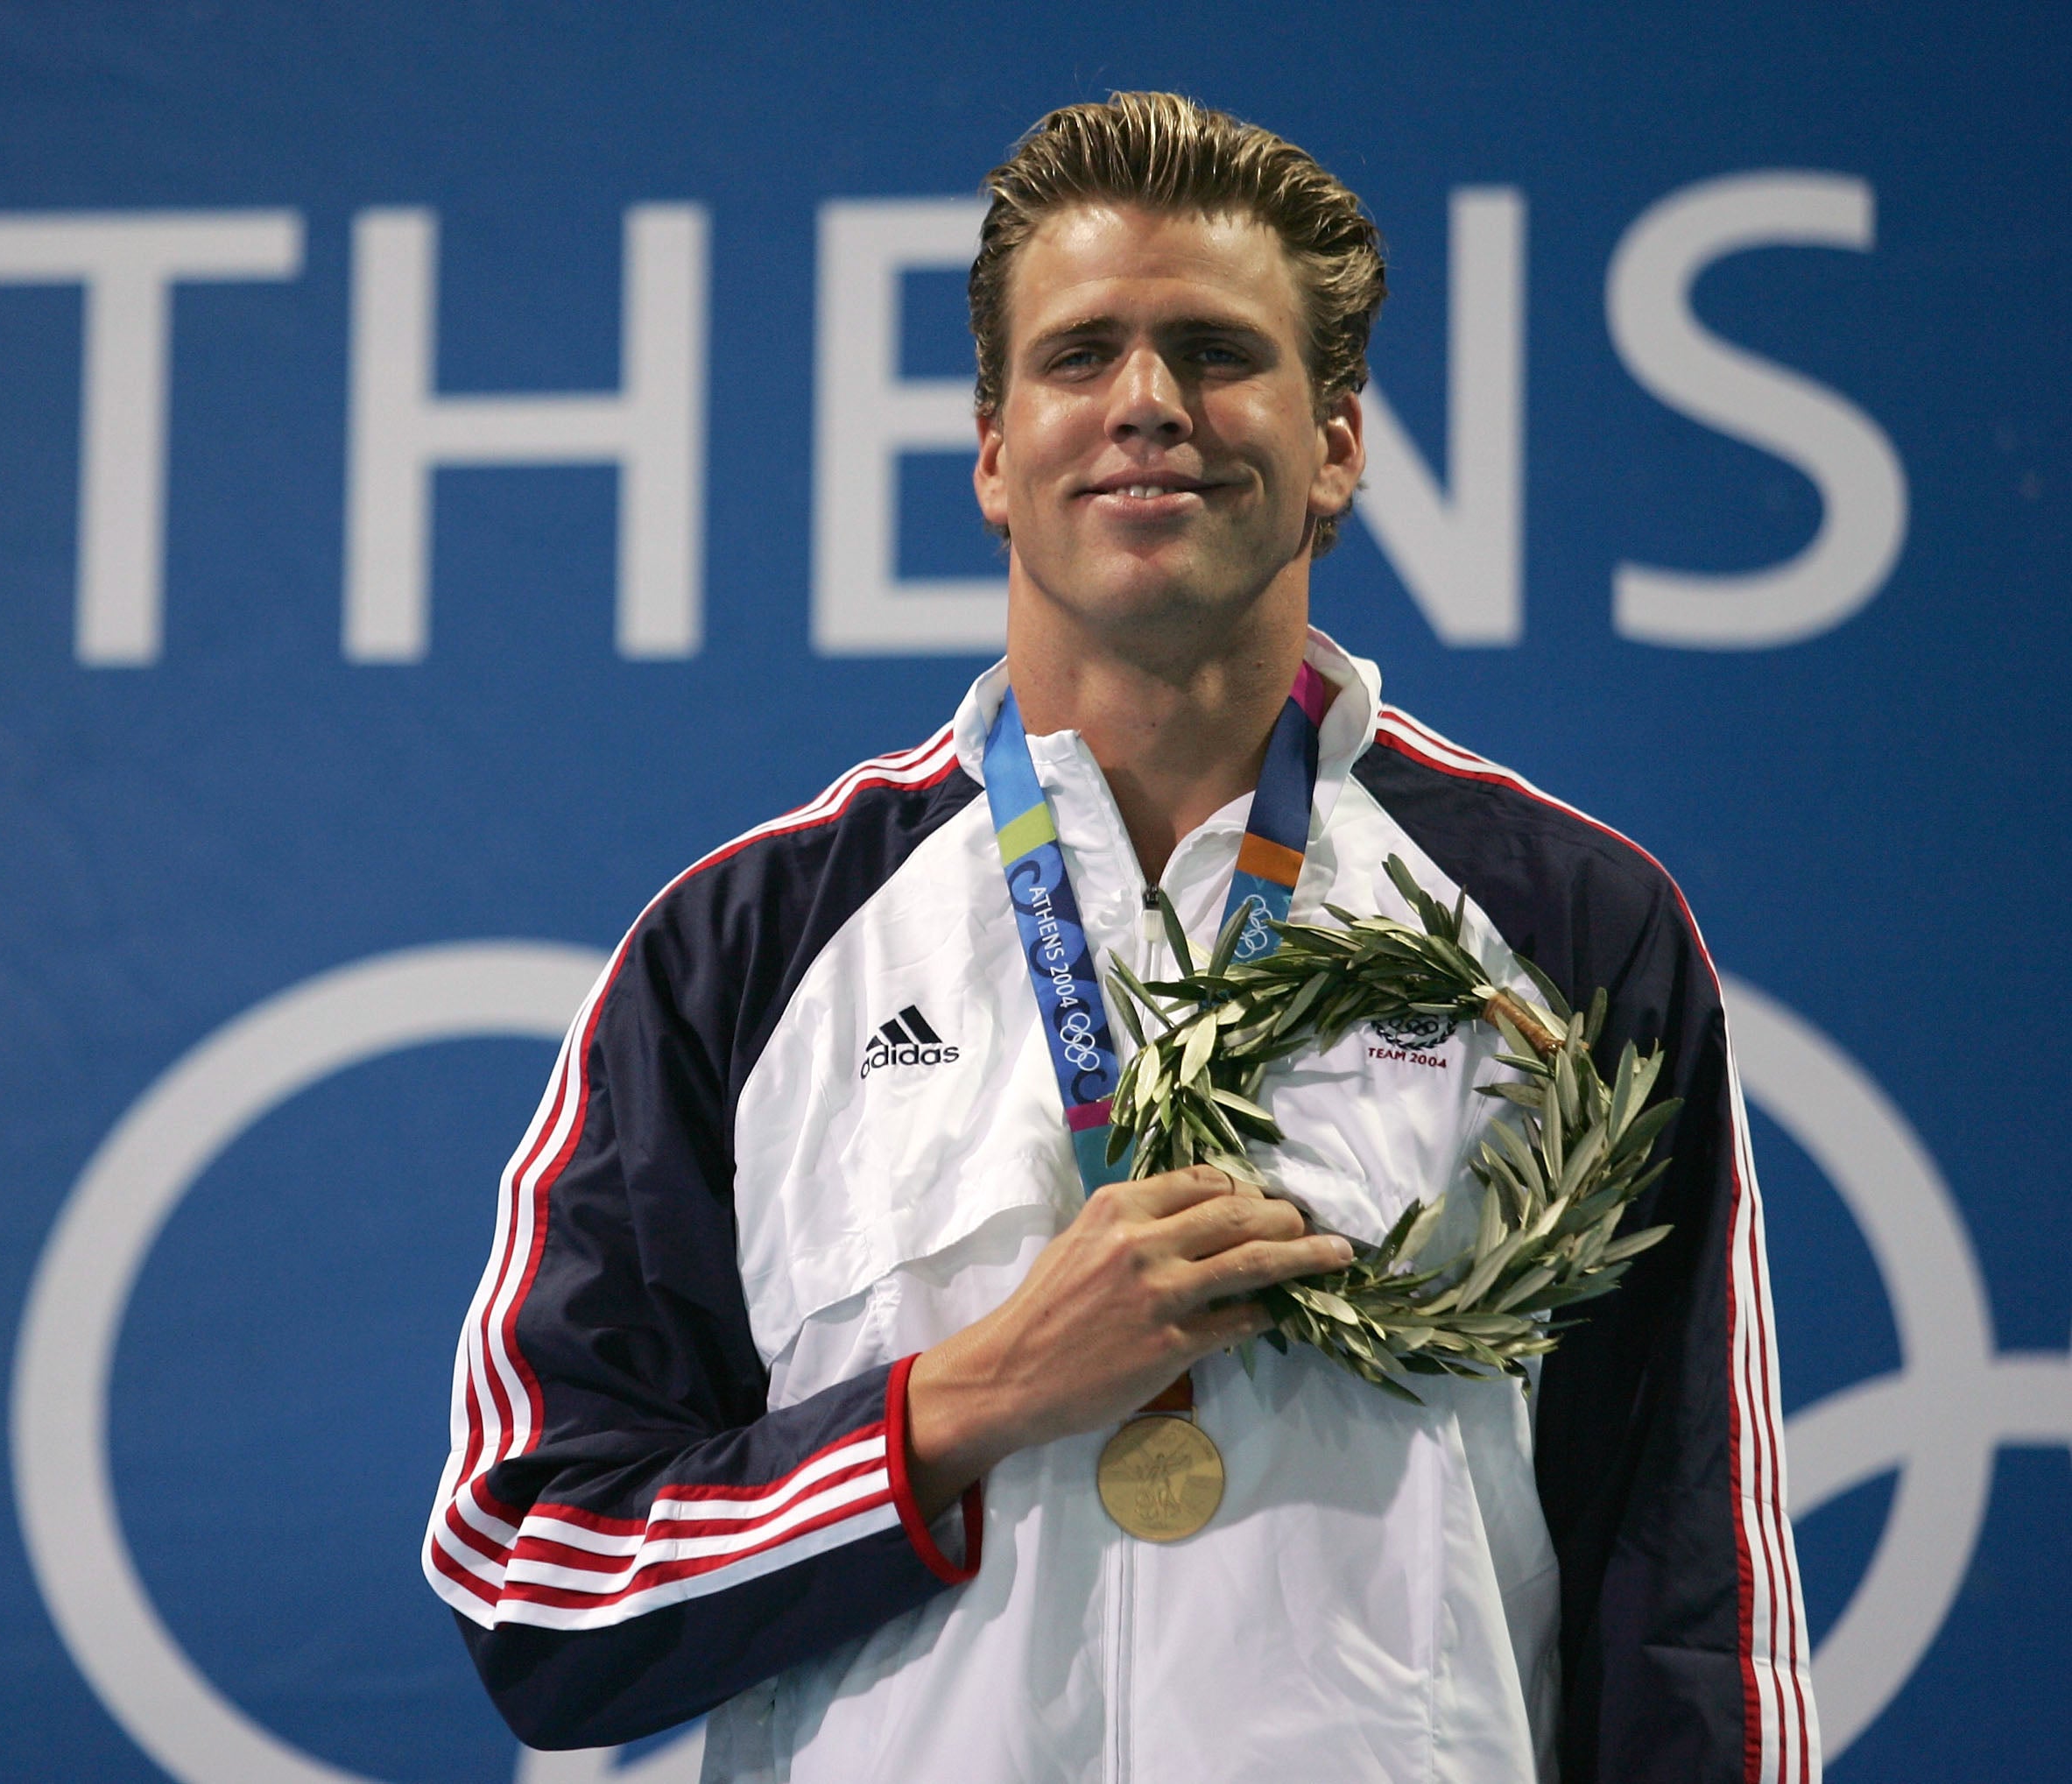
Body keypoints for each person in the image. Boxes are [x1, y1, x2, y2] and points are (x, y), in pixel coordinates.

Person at [424, 93, 1815, 1783]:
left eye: (1219, 352)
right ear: (996, 451)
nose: (1149, 405)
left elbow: (1691, 1610)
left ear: (1338, 445)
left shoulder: (1575, 927)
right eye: (1081, 355)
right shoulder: (752, 947)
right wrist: (962, 1403)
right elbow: (536, 1579)